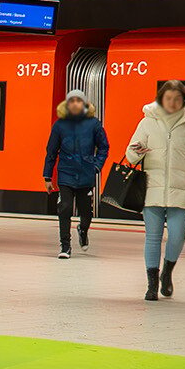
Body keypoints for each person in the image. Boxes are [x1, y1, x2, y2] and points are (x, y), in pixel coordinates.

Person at [126, 80, 185, 301]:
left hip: (182, 187)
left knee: (177, 236)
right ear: (160, 99)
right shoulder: (147, 121)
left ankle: (167, 273)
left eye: (177, 98)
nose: (172, 103)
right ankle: (152, 283)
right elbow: (130, 152)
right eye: (168, 98)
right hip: (152, 188)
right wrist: (136, 152)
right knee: (152, 237)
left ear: (184, 99)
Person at [43, 89, 108, 258]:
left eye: (78, 101)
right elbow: (51, 151)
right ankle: (65, 246)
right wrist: (47, 176)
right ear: (67, 104)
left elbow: (104, 147)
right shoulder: (59, 125)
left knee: (86, 212)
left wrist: (96, 165)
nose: (75, 104)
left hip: (86, 174)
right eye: (71, 101)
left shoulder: (94, 124)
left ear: (84, 104)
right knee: (64, 208)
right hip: (66, 173)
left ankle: (83, 229)